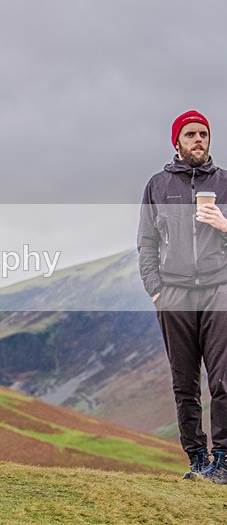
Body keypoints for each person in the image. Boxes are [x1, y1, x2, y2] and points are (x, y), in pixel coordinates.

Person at [138, 110, 227, 483]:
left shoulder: (224, 183)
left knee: (223, 379)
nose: (198, 140)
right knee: (184, 382)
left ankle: (222, 460)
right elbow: (146, 242)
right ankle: (196, 458)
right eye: (190, 134)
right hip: (174, 295)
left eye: (203, 134)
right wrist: (156, 290)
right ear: (177, 141)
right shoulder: (158, 186)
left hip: (218, 291)